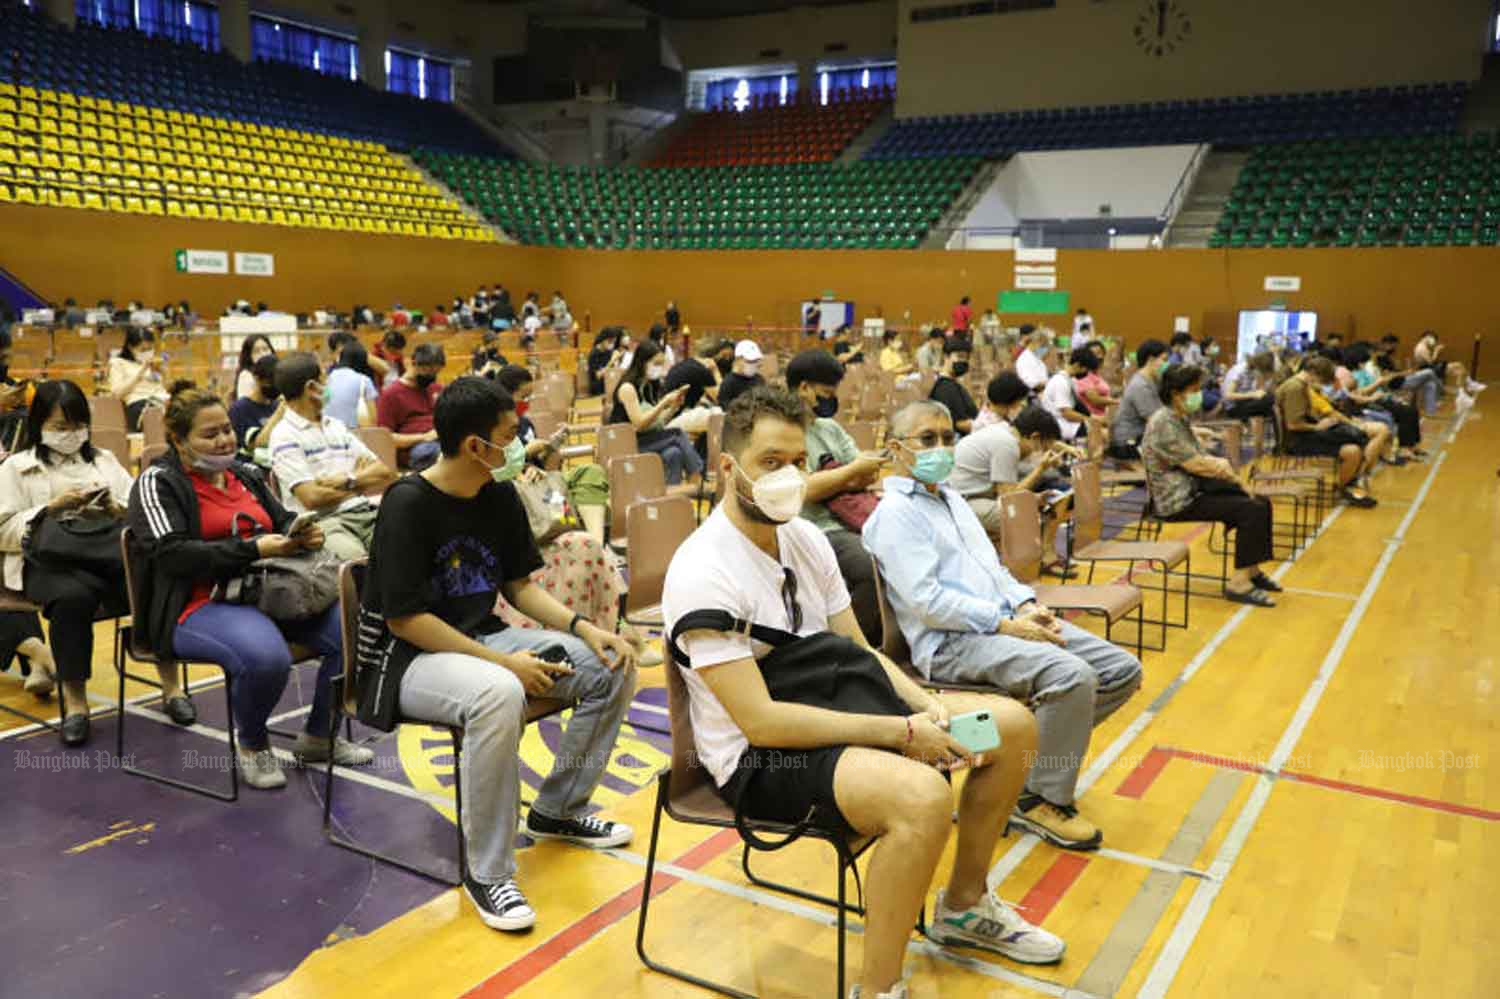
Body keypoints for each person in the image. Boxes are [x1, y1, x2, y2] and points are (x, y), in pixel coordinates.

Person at [662, 388, 1062, 997]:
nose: (789, 476)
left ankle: (963, 906)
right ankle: (877, 988)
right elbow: (763, 722)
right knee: (922, 797)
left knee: (1009, 729)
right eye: (771, 462)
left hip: (840, 710)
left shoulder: (807, 539)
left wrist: (923, 706)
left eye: (798, 461)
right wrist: (904, 734)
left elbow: (861, 651)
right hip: (763, 758)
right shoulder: (702, 571)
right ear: (727, 468)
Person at [358, 376, 637, 932]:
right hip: (406, 658)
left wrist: (586, 628)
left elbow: (519, 588)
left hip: (484, 639)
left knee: (610, 664)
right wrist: (504, 664)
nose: (518, 443)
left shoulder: (499, 495)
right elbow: (405, 619)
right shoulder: (407, 504)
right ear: (473, 445)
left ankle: (559, 808)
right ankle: (488, 872)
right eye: (509, 435)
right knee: (499, 692)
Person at [864, 399, 1143, 851]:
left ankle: (1020, 768)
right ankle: (1038, 800)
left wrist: (1026, 605)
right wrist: (1006, 625)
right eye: (927, 440)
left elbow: (992, 570)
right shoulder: (895, 515)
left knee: (1120, 669)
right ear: (897, 449)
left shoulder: (952, 499)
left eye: (947, 438)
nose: (941, 448)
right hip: (951, 641)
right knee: (1071, 676)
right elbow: (929, 603)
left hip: (1001, 621)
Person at [128, 381, 371, 789]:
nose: (225, 440)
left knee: (354, 632)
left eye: (226, 429)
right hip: (196, 604)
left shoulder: (245, 472)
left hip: (268, 593)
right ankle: (254, 745)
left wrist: (299, 534)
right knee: (266, 659)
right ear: (177, 439)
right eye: (210, 434)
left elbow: (279, 521)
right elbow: (172, 556)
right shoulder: (158, 483)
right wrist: (252, 549)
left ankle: (318, 737)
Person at [0, 381, 188, 746]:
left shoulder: (103, 460)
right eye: (59, 427)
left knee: (156, 579)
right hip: (47, 562)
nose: (70, 435)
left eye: (77, 426)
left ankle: (172, 687)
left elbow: (141, 508)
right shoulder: (15, 468)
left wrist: (116, 508)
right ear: (39, 425)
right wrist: (51, 509)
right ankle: (75, 705)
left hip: (105, 551)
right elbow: (3, 528)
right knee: (73, 599)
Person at [1142, 366, 1278, 606]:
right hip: (1178, 500)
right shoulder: (1164, 422)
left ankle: (1252, 572)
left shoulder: (1176, 417)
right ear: (1176, 393)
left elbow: (1197, 456)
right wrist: (1235, 479)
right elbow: (1196, 464)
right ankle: (1238, 584)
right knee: (1250, 508)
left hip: (1195, 489)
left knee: (1260, 502)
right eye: (1194, 390)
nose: (1199, 396)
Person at [785, 350, 886, 644]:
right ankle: (847, 647)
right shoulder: (784, 434)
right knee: (871, 567)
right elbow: (804, 490)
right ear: (804, 388)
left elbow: (869, 474)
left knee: (902, 551)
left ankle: (884, 636)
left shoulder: (828, 428)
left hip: (854, 521)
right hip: (815, 528)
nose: (831, 399)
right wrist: (849, 473)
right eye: (826, 392)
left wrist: (838, 476)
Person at [269, 353, 396, 560]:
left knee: (406, 547)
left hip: (364, 513)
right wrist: (359, 486)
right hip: (323, 524)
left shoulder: (335, 426)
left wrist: (349, 479)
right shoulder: (284, 435)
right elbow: (312, 498)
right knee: (358, 562)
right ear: (311, 388)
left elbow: (384, 472)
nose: (328, 384)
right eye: (324, 379)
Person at [1275, 355, 1377, 507]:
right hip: (1297, 441)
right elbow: (1292, 425)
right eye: (1322, 380)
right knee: (1354, 449)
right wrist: (1318, 426)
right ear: (1313, 373)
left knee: (1355, 445)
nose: (1322, 384)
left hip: (1306, 434)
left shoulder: (1301, 385)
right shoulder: (1295, 388)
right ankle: (1341, 488)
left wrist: (1325, 422)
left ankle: (1345, 486)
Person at [608, 340, 703, 486]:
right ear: (642, 362)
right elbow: (639, 424)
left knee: (673, 453)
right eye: (656, 363)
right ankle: (696, 477)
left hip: (646, 439)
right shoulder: (627, 388)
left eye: (661, 363)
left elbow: (657, 423)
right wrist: (663, 402)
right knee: (677, 434)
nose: (659, 368)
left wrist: (673, 408)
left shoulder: (649, 386)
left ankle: (671, 497)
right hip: (627, 445)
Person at [377, 342, 444, 470]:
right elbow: (386, 438)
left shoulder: (435, 388)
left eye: (435, 373)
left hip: (440, 439)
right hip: (416, 448)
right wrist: (423, 437)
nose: (431, 377)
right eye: (427, 371)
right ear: (413, 363)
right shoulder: (391, 394)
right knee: (440, 454)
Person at [1109, 339, 1170, 460]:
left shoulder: (1152, 381)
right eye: (1164, 360)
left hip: (1141, 437)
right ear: (1151, 359)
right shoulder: (1140, 385)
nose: (1166, 364)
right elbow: (1155, 421)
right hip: (1127, 444)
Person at [109, 328, 169, 431]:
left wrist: (164, 373)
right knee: (156, 413)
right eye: (143, 349)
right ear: (131, 347)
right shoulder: (118, 363)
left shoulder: (154, 364)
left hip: (162, 400)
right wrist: (141, 372)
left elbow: (166, 389)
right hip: (139, 403)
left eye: (150, 349)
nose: (147, 353)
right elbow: (117, 393)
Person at [227, 354, 285, 463]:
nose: (275, 386)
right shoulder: (240, 409)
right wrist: (280, 411)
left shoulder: (277, 405)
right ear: (257, 378)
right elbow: (258, 444)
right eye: (270, 382)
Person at [1041, 347, 1098, 444]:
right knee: (1096, 431)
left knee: (1096, 427)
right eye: (1086, 369)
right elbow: (1067, 414)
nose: (1087, 373)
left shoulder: (1069, 380)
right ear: (1077, 365)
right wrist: (1090, 420)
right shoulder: (1060, 382)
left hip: (1064, 421)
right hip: (1057, 423)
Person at [928, 337, 978, 434]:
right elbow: (959, 424)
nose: (964, 361)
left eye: (967, 358)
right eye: (960, 356)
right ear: (946, 357)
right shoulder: (946, 387)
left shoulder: (953, 384)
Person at [326, 341, 381, 429]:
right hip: (354, 432)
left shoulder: (329, 378)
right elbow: (373, 419)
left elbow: (326, 402)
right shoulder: (364, 381)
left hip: (330, 429)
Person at [663, 337, 726, 410]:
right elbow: (721, 399)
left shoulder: (685, 363)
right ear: (715, 357)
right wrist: (715, 371)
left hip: (667, 410)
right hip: (676, 414)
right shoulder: (701, 371)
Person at [1219, 351, 1277, 420]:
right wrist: (1252, 394)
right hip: (1233, 407)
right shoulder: (1239, 371)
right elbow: (1228, 395)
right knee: (1269, 401)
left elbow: (1260, 388)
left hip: (1243, 402)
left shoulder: (1253, 371)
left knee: (1272, 401)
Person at [717, 340, 765, 411]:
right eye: (750, 361)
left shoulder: (759, 379)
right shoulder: (728, 383)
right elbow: (724, 408)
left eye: (756, 361)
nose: (754, 364)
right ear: (738, 360)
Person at [1072, 343, 1113, 417]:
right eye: (1093, 354)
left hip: (1101, 418)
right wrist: (1117, 401)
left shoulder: (1099, 375)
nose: (1098, 357)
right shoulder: (1083, 375)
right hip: (1090, 420)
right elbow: (1095, 400)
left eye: (1099, 353)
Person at [235, 335, 276, 401]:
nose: (263, 354)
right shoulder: (246, 375)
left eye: (265, 349)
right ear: (249, 356)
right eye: (256, 351)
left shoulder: (277, 371)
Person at [1014, 328, 1052, 392]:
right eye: (1044, 345)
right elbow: (1030, 383)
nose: (1046, 348)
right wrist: (1050, 383)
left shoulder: (1036, 357)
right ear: (1035, 342)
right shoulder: (1024, 359)